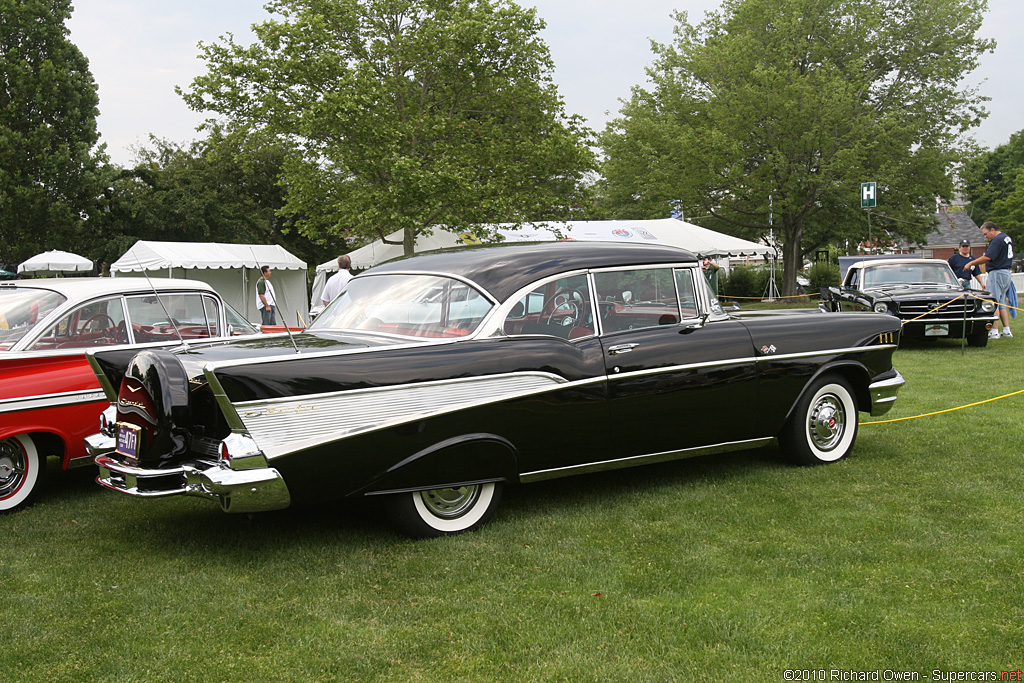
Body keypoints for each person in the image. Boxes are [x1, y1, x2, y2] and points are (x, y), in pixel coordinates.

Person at [964, 221, 1013, 338]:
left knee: (992, 302)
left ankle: (994, 331)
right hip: (1006, 272)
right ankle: (1006, 330)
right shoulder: (1006, 237)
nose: (985, 237)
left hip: (998, 272)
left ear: (992, 230)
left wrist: (971, 262)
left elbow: (988, 257)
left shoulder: (997, 239)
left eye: (986, 234)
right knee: (1001, 303)